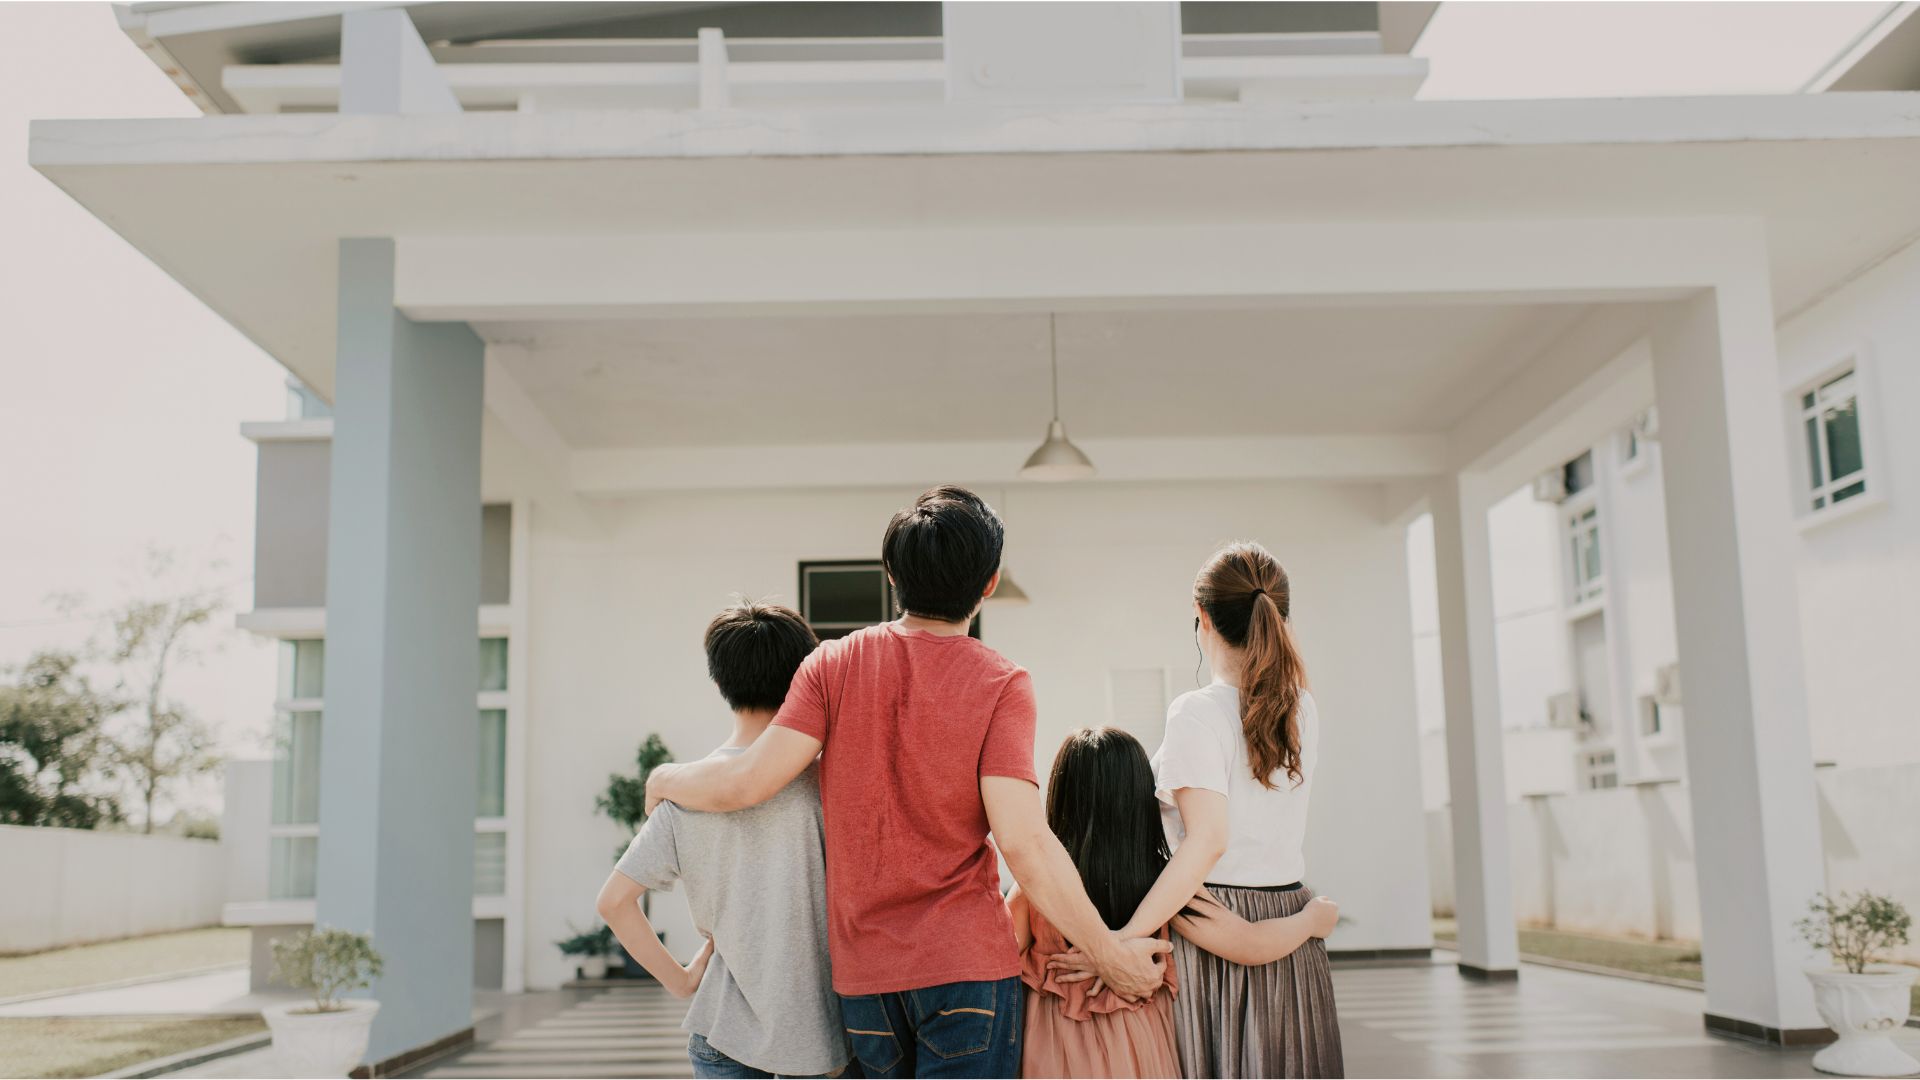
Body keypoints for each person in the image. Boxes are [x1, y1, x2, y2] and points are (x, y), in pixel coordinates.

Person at [644, 485, 1170, 1078]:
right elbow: (1023, 842)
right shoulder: (1001, 682)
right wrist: (1110, 955)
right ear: (989, 582)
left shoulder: (831, 664)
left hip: (865, 980)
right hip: (966, 969)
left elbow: (747, 781)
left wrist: (666, 776)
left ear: (891, 574)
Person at [1060, 541, 1341, 1077]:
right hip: (1289, 921)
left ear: (1202, 617)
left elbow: (1208, 839)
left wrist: (1128, 940)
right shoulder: (1302, 706)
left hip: (1216, 922)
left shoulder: (1197, 711)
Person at [595, 601, 848, 1079]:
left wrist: (681, 980)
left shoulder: (686, 794)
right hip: (822, 1033)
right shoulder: (827, 787)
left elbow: (614, 902)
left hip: (722, 1028)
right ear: (803, 679)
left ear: (719, 683)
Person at [1013, 726, 1340, 1079]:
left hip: (1052, 1051)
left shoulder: (1037, 889)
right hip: (1141, 1052)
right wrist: (1311, 920)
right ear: (1140, 799)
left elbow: (995, 964)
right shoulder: (1162, 886)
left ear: (1061, 796)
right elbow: (1249, 943)